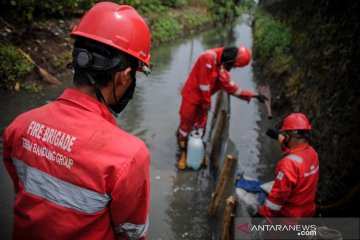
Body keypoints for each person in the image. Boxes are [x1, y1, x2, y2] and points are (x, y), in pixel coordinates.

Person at [2, 3, 152, 239]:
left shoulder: (19, 127)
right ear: (124, 77)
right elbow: (132, 234)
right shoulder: (128, 156)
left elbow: (22, 193)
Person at [176, 45, 267, 169]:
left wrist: (253, 95)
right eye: (233, 65)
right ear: (231, 59)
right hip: (192, 97)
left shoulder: (221, 66)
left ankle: (196, 154)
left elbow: (231, 87)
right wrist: (207, 103)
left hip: (203, 102)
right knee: (185, 126)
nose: (231, 68)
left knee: (200, 127)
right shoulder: (208, 58)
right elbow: (204, 84)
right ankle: (183, 153)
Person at [258, 113, 319, 218]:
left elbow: (277, 199)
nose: (284, 137)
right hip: (308, 211)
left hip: (290, 218)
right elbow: (293, 147)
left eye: (285, 134)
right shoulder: (312, 153)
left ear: (292, 136)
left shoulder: (288, 164)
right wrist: (278, 136)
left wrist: (262, 215)